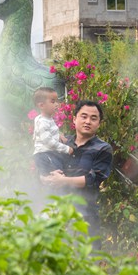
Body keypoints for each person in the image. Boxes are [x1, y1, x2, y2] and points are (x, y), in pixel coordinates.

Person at [41, 100, 113, 237]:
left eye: (93, 118)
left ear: (99, 123)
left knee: (84, 256)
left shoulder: (103, 148)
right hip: (54, 212)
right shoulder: (60, 143)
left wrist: (63, 181)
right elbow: (44, 168)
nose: (88, 121)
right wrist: (44, 177)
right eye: (83, 116)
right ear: (74, 119)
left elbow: (93, 179)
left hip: (84, 216)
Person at [32, 87, 73, 176]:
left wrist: (59, 135)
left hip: (49, 153)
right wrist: (66, 149)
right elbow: (49, 142)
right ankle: (57, 189)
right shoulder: (43, 122)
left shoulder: (46, 118)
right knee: (57, 175)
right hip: (45, 155)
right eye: (53, 101)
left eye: (57, 101)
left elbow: (49, 133)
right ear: (41, 105)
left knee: (60, 172)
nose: (57, 104)